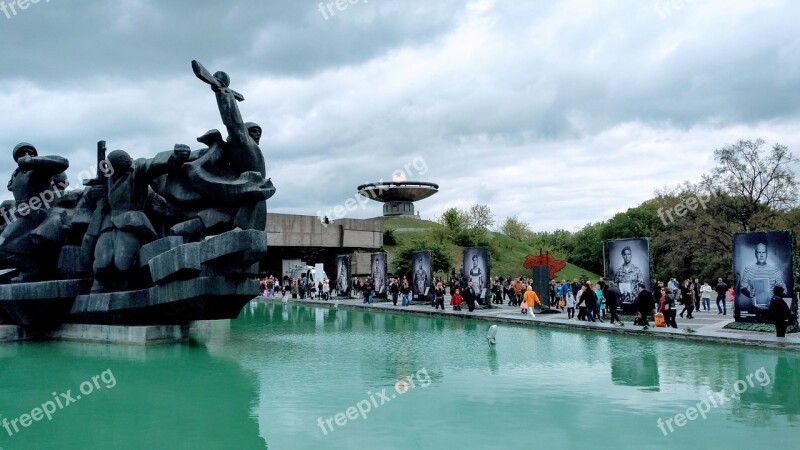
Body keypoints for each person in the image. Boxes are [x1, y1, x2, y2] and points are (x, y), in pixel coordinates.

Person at [740, 242, 787, 308]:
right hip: (754, 308)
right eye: (759, 252)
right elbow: (742, 288)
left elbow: (783, 289)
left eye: (763, 252)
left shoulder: (774, 270)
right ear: (755, 254)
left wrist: (776, 297)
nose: (761, 255)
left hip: (772, 308)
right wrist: (750, 294)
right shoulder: (748, 270)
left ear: (766, 254)